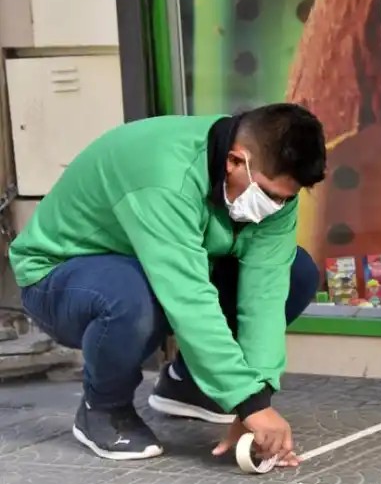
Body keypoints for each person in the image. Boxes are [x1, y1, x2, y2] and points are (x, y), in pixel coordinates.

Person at [8, 103, 326, 465]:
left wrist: (253, 399)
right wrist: (248, 402)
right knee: (131, 296)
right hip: (60, 277)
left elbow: (265, 295)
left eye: (287, 197)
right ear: (235, 162)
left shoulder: (273, 191)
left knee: (295, 272)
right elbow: (187, 295)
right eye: (270, 194)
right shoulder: (165, 174)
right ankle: (103, 409)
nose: (277, 206)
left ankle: (189, 385)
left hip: (153, 267)